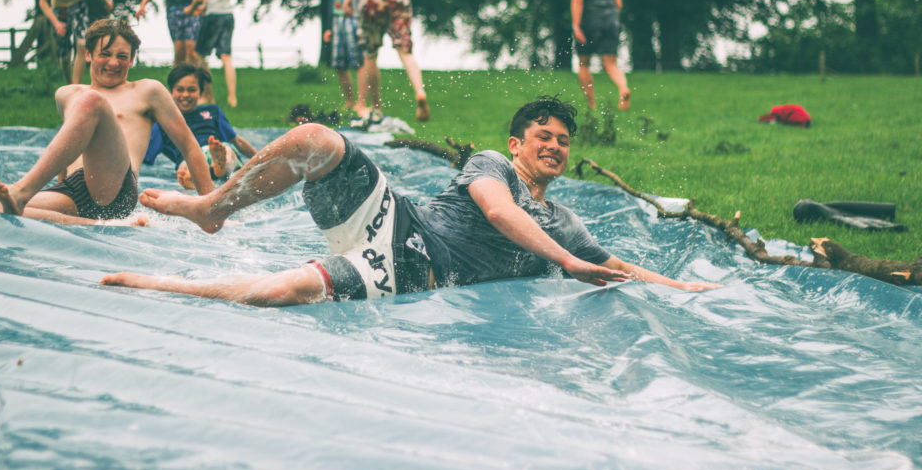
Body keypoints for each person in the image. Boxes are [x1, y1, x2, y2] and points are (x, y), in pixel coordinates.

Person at [102, 96, 720, 305]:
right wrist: (571, 263)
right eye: (544, 138)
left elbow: (615, 265)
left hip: (419, 270)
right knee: (317, 138)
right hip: (398, 221)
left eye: (563, 142)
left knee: (282, 293)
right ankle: (215, 205)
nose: (555, 148)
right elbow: (500, 213)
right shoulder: (492, 164)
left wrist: (680, 288)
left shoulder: (565, 220)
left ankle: (157, 285)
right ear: (517, 143)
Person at [0, 18, 214, 225]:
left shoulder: (148, 91)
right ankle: (98, 224)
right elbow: (70, 145)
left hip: (115, 190)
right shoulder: (66, 94)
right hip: (73, 188)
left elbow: (189, 146)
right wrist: (58, 184)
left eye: (122, 56)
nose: (113, 63)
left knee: (92, 101)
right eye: (105, 54)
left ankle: (21, 191)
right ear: (88, 54)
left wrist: (209, 208)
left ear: (132, 59)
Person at [144, 63, 256, 190]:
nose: (185, 95)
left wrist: (259, 157)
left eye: (191, 90)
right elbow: (144, 152)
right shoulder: (163, 123)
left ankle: (215, 168)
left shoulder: (212, 111)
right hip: (188, 159)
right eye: (180, 90)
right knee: (185, 166)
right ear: (171, 92)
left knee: (227, 153)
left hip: (215, 149)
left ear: (201, 93)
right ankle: (203, 175)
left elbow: (236, 140)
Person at [569, 0, 630, 111]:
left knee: (584, 63)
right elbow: (619, 3)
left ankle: (592, 105)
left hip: (590, 21)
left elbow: (577, 0)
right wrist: (613, 20)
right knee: (610, 64)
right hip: (611, 20)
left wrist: (576, 25)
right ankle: (623, 88)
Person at [184, 0, 235, 107]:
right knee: (226, 56)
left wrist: (190, 9)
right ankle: (232, 98)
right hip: (227, 13)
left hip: (213, 15)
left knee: (198, 54)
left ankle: (207, 95)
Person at [325, 0, 367, 113]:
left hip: (354, 17)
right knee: (339, 63)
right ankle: (349, 100)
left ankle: (362, 101)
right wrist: (328, 26)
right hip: (337, 18)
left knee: (359, 60)